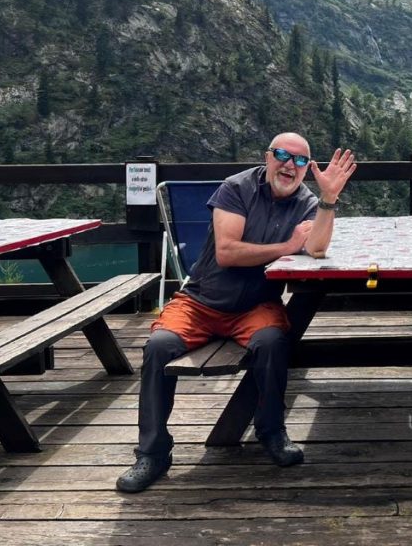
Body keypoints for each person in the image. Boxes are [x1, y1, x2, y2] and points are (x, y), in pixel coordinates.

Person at [116, 133, 357, 493]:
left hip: (256, 305)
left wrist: (329, 199)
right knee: (158, 348)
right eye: (281, 155)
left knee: (275, 342)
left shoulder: (309, 202)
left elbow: (318, 248)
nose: (289, 165)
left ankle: (271, 431)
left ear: (308, 169)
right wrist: (289, 246)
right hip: (201, 301)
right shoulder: (236, 187)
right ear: (267, 157)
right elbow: (228, 252)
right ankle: (152, 452)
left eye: (300, 160)